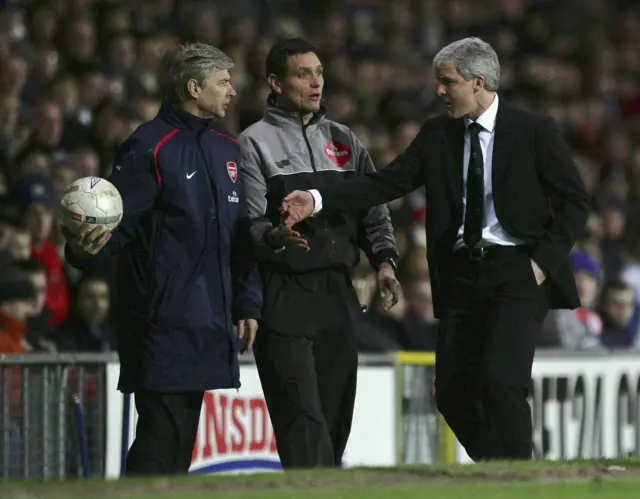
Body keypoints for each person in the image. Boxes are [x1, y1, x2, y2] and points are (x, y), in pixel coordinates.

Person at [281, 37, 590, 461]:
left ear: (478, 81)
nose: (439, 91)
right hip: (461, 276)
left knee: (502, 383)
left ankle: (520, 477)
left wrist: (541, 263)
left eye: (448, 82)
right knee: (452, 394)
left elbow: (575, 201)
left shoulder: (533, 131)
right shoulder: (436, 134)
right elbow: (384, 184)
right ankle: (501, 469)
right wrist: (316, 200)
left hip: (517, 272)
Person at [62, 43, 263, 475]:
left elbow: (240, 234)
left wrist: (247, 301)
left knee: (178, 446)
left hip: (209, 320)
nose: (232, 91)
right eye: (223, 82)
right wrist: (82, 249)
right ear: (193, 87)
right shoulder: (148, 146)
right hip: (162, 321)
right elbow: (120, 226)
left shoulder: (228, 148)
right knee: (160, 440)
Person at [238, 38, 400, 469]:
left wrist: (385, 262)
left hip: (337, 294)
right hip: (283, 293)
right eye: (302, 73)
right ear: (275, 82)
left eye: (320, 72)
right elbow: (249, 224)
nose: (315, 82)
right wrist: (274, 237)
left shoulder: (346, 141)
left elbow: (374, 209)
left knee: (333, 420)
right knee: (302, 423)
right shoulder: (253, 143)